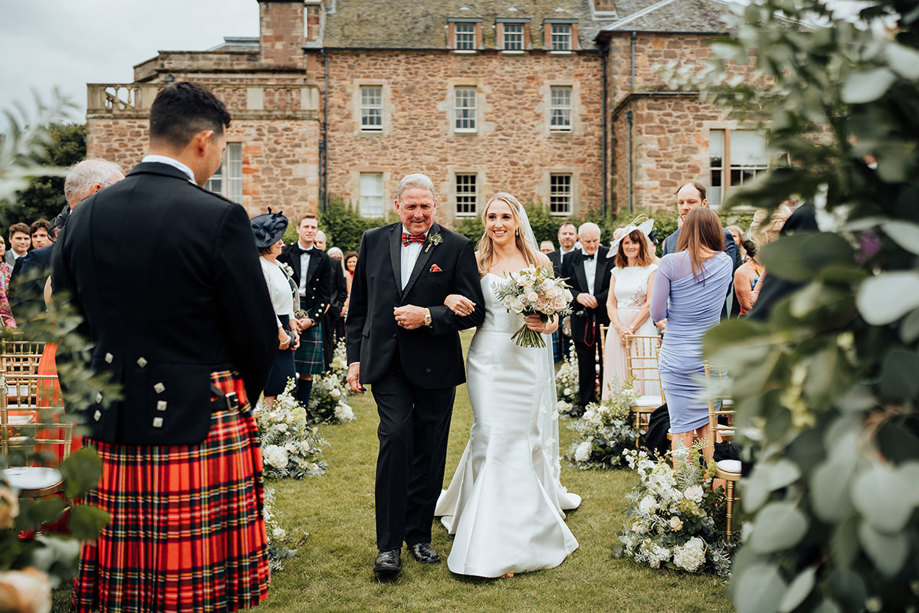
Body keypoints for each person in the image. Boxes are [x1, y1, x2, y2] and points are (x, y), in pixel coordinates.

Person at [52, 81, 277, 612]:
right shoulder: (218, 216)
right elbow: (255, 331)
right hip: (201, 416)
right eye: (222, 147)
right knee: (192, 591)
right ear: (203, 140)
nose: (219, 159)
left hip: (107, 420)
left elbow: (65, 328)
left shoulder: (82, 217)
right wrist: (242, 395)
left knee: (123, 583)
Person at [345, 173, 485, 577]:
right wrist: (355, 359)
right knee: (395, 438)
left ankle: (418, 534)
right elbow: (360, 309)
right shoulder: (373, 240)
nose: (419, 213)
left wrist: (429, 316)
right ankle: (387, 545)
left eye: (425, 206)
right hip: (386, 365)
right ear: (397, 207)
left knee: (430, 448)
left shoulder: (457, 247)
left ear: (435, 206)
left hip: (435, 367)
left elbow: (475, 310)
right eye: (411, 206)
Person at [435, 192, 580, 579]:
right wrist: (449, 296)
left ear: (517, 221)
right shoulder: (475, 260)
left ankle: (516, 524)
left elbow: (553, 315)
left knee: (518, 435)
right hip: (487, 357)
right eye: (491, 217)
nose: (497, 223)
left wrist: (546, 324)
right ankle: (481, 518)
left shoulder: (539, 262)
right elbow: (456, 299)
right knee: (489, 432)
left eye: (504, 216)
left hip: (527, 361)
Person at [651, 208, 733, 453]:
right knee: (709, 426)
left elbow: (657, 314)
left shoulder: (670, 263)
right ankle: (710, 489)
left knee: (680, 430)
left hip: (677, 356)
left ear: (686, 230)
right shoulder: (726, 262)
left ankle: (684, 490)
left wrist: (676, 307)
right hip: (711, 357)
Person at [10, 160, 125, 323]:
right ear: (97, 190)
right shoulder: (86, 236)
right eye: (119, 187)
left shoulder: (71, 234)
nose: (126, 195)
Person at [662, 182, 740, 317]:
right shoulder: (671, 241)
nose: (685, 207)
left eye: (691, 202)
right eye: (680, 203)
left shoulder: (722, 236)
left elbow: (724, 284)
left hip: (711, 320)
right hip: (677, 322)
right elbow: (664, 285)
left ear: (704, 203)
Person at [601, 218, 658, 401]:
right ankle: (618, 417)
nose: (630, 246)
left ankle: (644, 419)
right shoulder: (616, 271)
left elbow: (649, 303)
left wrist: (631, 328)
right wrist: (619, 328)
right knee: (618, 371)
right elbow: (611, 303)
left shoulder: (651, 270)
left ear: (642, 245)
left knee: (641, 372)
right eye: (626, 243)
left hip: (640, 327)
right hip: (618, 329)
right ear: (621, 246)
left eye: (634, 242)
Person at [279, 214, 332, 408]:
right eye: (306, 226)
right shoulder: (284, 253)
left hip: (311, 310)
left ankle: (302, 413)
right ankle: (283, 412)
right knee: (284, 363)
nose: (310, 230)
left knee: (307, 369)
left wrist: (311, 319)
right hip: (286, 308)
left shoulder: (324, 259)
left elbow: (325, 296)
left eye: (313, 227)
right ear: (299, 228)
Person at [561, 222, 611, 411]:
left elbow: (614, 285)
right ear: (579, 239)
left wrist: (598, 299)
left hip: (605, 315)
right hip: (581, 317)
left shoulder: (610, 255)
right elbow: (564, 286)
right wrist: (578, 296)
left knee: (608, 357)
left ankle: (608, 400)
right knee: (585, 360)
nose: (592, 245)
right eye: (588, 241)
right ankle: (586, 402)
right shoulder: (569, 259)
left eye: (595, 241)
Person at [252, 209, 299, 407]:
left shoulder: (278, 264)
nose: (282, 242)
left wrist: (293, 327)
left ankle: (282, 432)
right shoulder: (261, 266)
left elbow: (286, 298)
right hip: (270, 330)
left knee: (284, 385)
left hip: (284, 329)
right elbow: (266, 304)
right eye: (277, 239)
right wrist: (281, 334)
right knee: (271, 387)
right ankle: (268, 431)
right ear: (265, 245)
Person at [314, 230, 347, 368]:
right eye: (315, 242)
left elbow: (342, 290)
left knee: (327, 341)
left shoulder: (334, 263)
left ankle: (327, 370)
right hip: (310, 309)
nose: (317, 245)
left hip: (330, 311)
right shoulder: (305, 260)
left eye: (320, 242)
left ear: (325, 244)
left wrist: (336, 307)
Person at [342, 250, 357, 320]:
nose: (352, 264)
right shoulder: (344, 274)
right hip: (346, 303)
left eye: (354, 262)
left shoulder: (361, 275)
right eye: (349, 262)